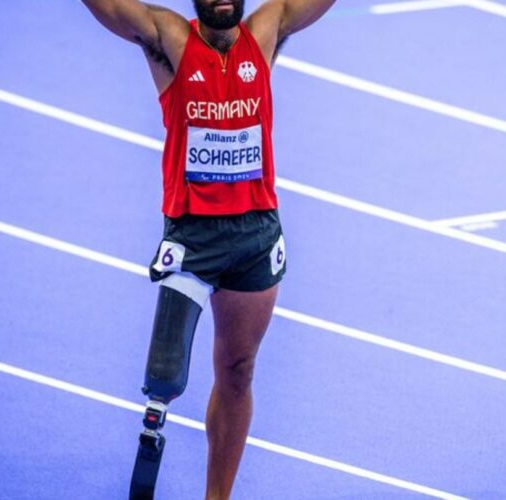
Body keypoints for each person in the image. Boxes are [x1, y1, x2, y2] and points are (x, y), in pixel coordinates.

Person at [80, 1, 336, 498]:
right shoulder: (171, 39)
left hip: (253, 234)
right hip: (192, 236)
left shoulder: (266, 32)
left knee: (238, 371)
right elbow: (113, 8)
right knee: (164, 376)